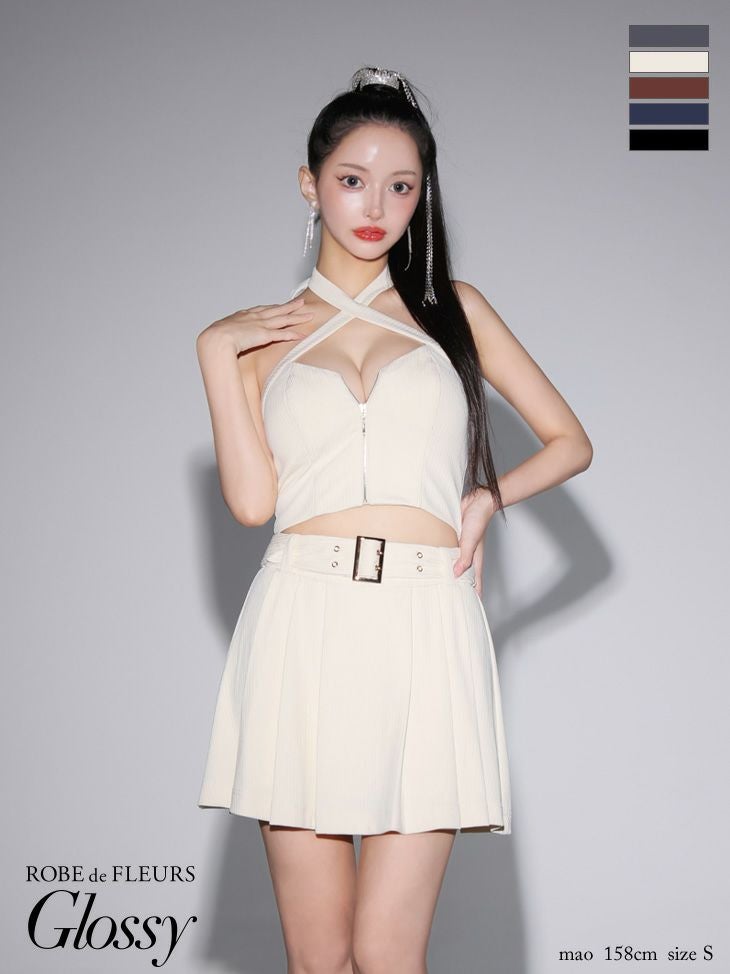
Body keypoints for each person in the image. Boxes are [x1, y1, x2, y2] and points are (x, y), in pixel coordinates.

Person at [195, 66, 592, 974]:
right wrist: (214, 351)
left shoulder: (455, 311)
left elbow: (571, 441)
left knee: (386, 955)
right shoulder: (256, 338)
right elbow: (253, 504)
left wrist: (488, 496)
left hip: (426, 620)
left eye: (402, 185)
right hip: (303, 617)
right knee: (319, 959)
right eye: (352, 179)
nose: (377, 206)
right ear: (310, 184)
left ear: (423, 194)